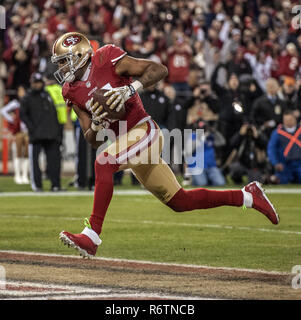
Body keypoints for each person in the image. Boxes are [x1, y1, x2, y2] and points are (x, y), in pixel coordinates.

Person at [52, 32, 279, 258]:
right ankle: (248, 196)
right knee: (180, 201)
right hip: (125, 144)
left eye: (64, 60)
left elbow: (159, 69)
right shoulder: (70, 90)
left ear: (81, 55)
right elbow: (89, 137)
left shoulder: (105, 57)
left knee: (104, 162)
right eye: (59, 62)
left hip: (143, 130)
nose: (62, 67)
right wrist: (97, 125)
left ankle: (91, 236)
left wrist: (130, 89)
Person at [19, 73, 62, 192]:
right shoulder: (27, 98)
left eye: (39, 82)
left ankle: (55, 185)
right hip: (36, 134)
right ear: (31, 83)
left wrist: (57, 131)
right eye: (35, 82)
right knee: (35, 162)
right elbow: (23, 115)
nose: (37, 85)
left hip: (51, 134)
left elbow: (54, 113)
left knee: (54, 161)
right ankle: (37, 186)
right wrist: (31, 128)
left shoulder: (47, 95)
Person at [1, 85, 29, 184]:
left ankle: (25, 175)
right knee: (17, 153)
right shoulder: (15, 103)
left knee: (26, 154)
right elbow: (3, 111)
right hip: (18, 132)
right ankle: (17, 175)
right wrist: (12, 119)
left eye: (23, 91)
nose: (22, 93)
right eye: (20, 91)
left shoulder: (28, 102)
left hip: (28, 132)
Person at [267, 111, 301, 184]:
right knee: (281, 179)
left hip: (299, 163)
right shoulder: (277, 132)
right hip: (284, 164)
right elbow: (271, 149)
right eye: (286, 120)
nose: (288, 122)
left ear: (295, 119)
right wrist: (275, 163)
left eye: (290, 120)